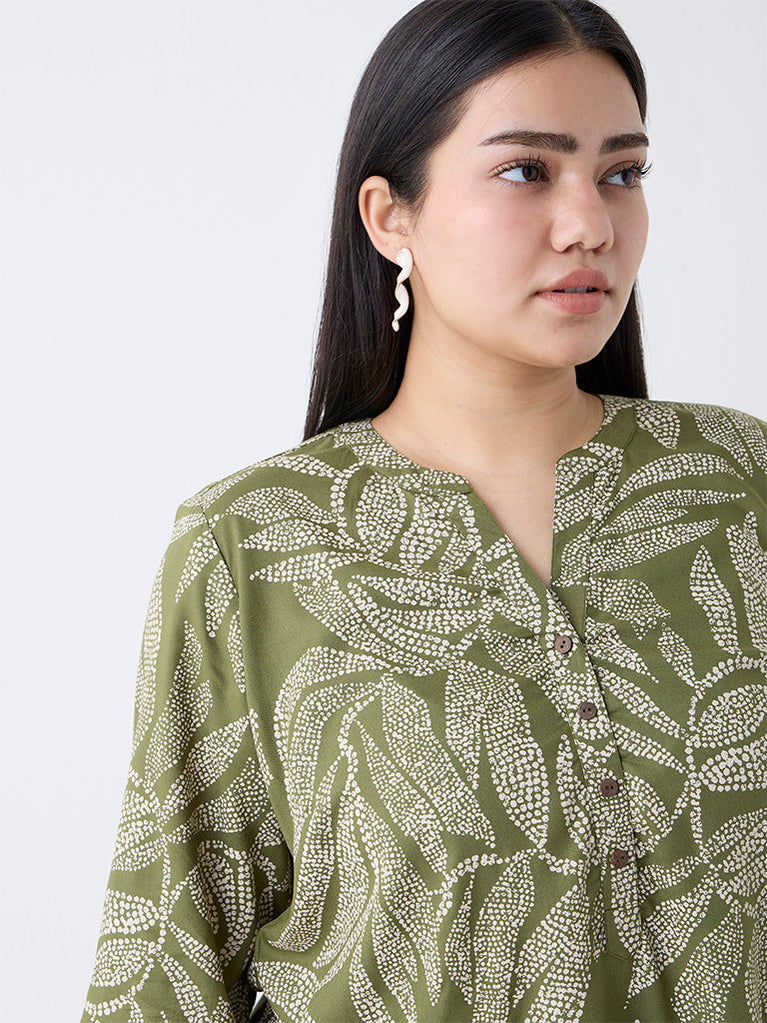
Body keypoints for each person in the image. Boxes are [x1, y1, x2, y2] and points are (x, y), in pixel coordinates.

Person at [80, 1, 767, 1021]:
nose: (589, 223)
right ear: (388, 217)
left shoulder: (737, 489)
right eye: (525, 170)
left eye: (621, 173)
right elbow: (166, 966)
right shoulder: (254, 548)